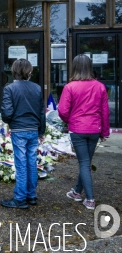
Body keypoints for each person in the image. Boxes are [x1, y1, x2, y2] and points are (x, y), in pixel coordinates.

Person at [58, 54, 110, 210]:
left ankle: (90, 199)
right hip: (94, 129)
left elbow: (62, 111)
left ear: (74, 67)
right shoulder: (100, 86)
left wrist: (70, 120)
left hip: (78, 129)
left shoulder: (70, 87)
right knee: (86, 162)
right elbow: (105, 111)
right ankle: (76, 191)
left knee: (84, 163)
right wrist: (104, 132)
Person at [0, 59, 46, 209]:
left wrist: (9, 121)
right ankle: (31, 195)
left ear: (14, 71)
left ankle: (20, 198)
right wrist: (41, 131)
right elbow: (41, 112)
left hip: (18, 129)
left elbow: (6, 113)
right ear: (29, 72)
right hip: (33, 129)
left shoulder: (10, 88)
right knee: (31, 162)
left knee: (21, 164)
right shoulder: (37, 88)